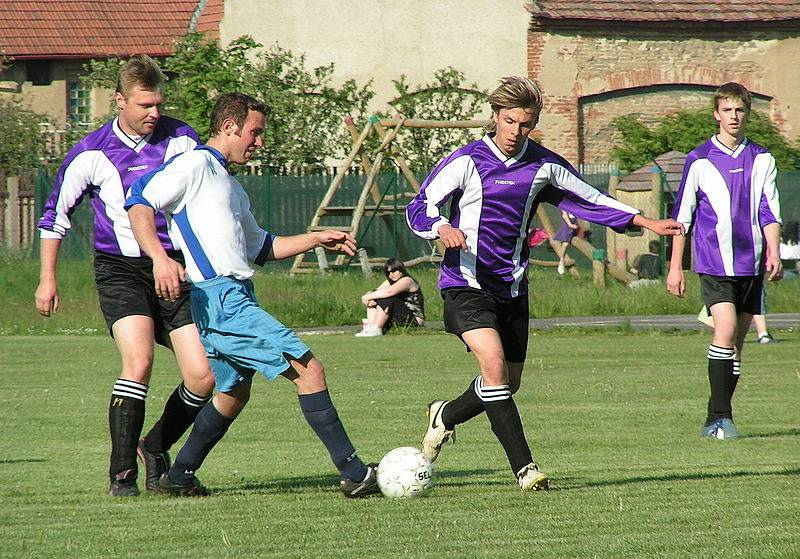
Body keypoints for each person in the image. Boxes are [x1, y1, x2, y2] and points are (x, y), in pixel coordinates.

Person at [405, 76, 683, 491]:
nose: (517, 132)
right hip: (465, 281)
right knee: (495, 368)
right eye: (510, 121)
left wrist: (644, 222)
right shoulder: (467, 160)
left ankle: (443, 416)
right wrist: (442, 227)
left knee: (506, 383)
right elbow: (419, 205)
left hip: (513, 287)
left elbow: (590, 198)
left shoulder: (543, 164)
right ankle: (526, 469)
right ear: (495, 117)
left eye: (526, 124)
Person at [126, 92, 380, 498]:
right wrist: (158, 257)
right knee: (309, 370)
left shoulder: (230, 185)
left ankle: (178, 477)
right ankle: (354, 472)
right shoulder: (194, 164)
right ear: (229, 127)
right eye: (254, 132)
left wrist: (316, 239)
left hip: (236, 295)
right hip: (220, 299)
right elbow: (139, 199)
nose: (258, 142)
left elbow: (262, 247)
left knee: (232, 392)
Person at [35, 56, 215, 497]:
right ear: (119, 100)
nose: (154, 113)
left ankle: (154, 447)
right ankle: (122, 476)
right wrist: (47, 279)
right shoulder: (90, 152)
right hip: (121, 270)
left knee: (203, 376)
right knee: (139, 363)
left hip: (174, 267)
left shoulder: (183, 139)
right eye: (144, 105)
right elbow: (55, 217)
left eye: (158, 104)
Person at [667, 82, 782, 440]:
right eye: (727, 110)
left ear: (748, 114)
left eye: (740, 110)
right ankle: (722, 418)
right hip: (714, 263)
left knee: (736, 347)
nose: (734, 116)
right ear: (717, 114)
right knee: (726, 329)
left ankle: (714, 417)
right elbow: (681, 218)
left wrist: (774, 251)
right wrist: (675, 268)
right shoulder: (699, 159)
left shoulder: (763, 158)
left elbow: (769, 211)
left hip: (751, 265)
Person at [355, 258, 425, 337]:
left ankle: (377, 328)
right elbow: (375, 291)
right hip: (398, 316)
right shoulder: (390, 281)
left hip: (413, 320)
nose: (391, 274)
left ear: (401, 270)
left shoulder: (407, 280)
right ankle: (370, 327)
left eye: (394, 271)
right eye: (388, 272)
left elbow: (390, 292)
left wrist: (366, 297)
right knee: (375, 297)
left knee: (387, 297)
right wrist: (368, 297)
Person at [554, 210, 580, 275]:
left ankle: (562, 259)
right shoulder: (566, 203)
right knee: (565, 243)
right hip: (569, 223)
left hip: (577, 222)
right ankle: (562, 260)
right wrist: (570, 225)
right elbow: (564, 215)